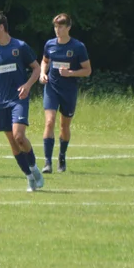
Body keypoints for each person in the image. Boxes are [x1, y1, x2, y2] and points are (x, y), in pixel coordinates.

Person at [0, 11, 44, 192]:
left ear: (1, 27)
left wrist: (27, 85)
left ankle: (34, 169)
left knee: (19, 136)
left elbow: (36, 68)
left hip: (18, 99)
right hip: (1, 101)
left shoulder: (20, 46)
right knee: (12, 142)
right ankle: (29, 178)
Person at [38, 13, 91, 174]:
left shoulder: (78, 47)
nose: (57, 30)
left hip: (68, 91)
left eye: (61, 26)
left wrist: (71, 73)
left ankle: (62, 155)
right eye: (55, 26)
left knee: (64, 126)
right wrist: (42, 73)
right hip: (51, 88)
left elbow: (87, 71)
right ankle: (47, 162)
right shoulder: (50, 44)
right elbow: (45, 61)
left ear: (68, 27)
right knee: (49, 122)